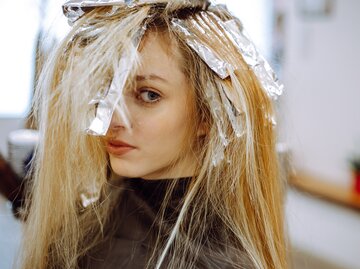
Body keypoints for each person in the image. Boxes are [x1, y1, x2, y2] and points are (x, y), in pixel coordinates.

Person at [19, 0, 288, 268]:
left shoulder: (217, 260)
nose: (111, 119)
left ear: (208, 114)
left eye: (149, 95)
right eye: (106, 89)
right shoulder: (86, 230)